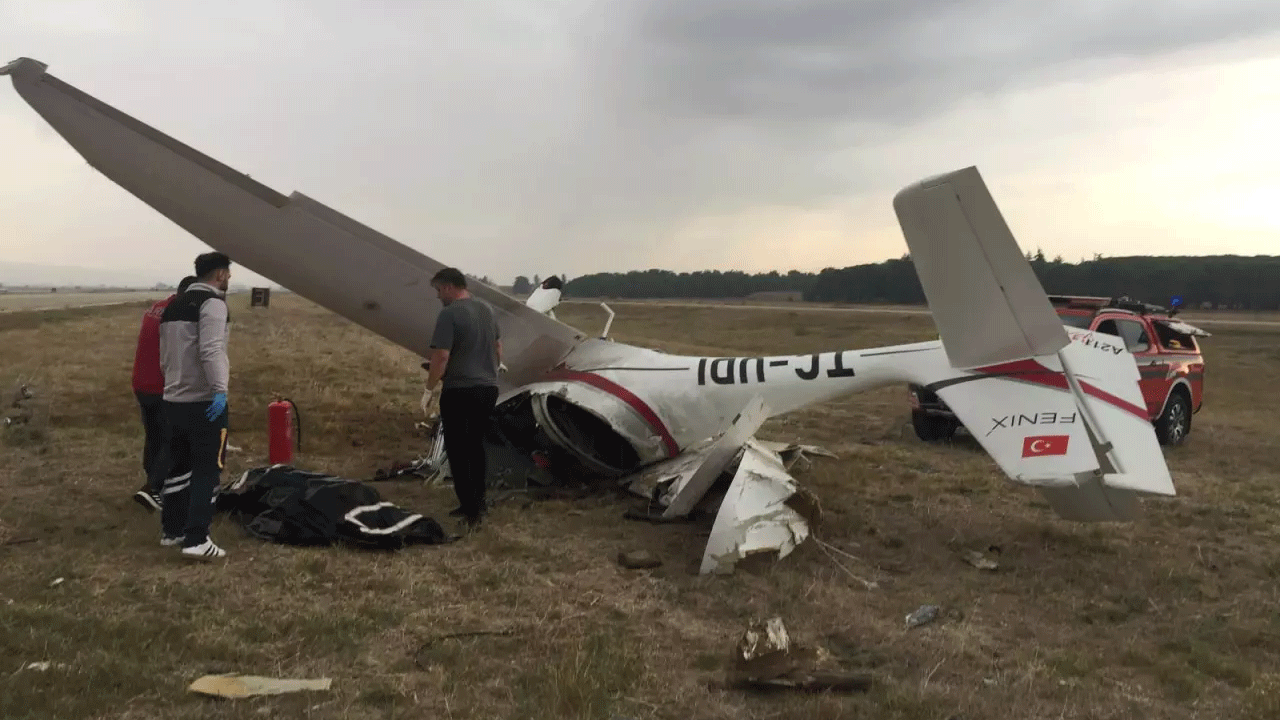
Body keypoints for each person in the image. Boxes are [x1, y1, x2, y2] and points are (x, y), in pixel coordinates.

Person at [157, 251, 233, 560]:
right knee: (207, 469)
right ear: (220, 274)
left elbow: (165, 356)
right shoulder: (213, 304)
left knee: (178, 466)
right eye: (228, 273)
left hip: (173, 398)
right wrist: (220, 391)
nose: (229, 278)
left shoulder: (173, 306)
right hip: (204, 402)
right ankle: (197, 539)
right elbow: (212, 350)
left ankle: (172, 531)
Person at [422, 268, 502, 529]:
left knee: (458, 450)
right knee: (476, 447)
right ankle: (478, 502)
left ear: (448, 287)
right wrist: (490, 371)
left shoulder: (449, 314)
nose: (438, 297)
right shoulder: (487, 309)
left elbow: (441, 356)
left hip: (460, 390)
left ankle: (471, 510)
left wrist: (429, 388)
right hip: (488, 389)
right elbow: (498, 347)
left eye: (438, 290)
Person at [131, 275, 197, 512]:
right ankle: (153, 488)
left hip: (141, 383)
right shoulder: (179, 315)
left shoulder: (156, 308)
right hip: (162, 387)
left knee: (154, 435)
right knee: (174, 439)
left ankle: (153, 482)